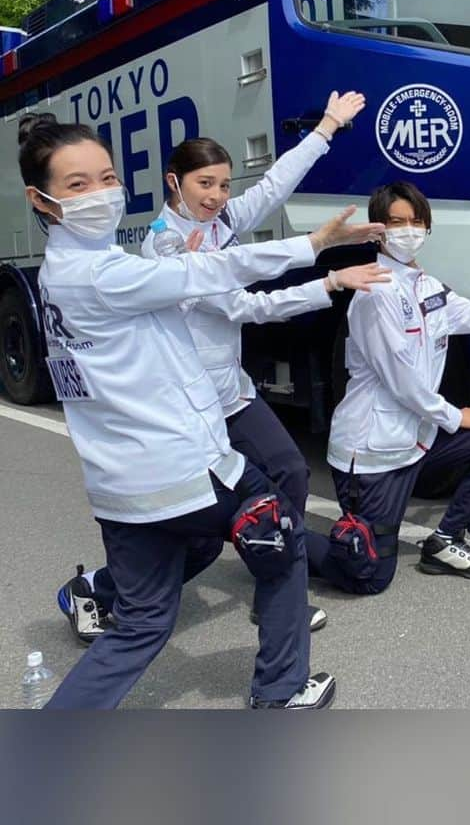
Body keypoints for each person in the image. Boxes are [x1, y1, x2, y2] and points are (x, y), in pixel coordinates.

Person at [19, 112, 375, 708]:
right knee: (282, 542)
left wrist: (323, 131)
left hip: (123, 484)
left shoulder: (66, 272)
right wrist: (315, 250)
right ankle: (281, 692)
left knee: (142, 621)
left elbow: (259, 201)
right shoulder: (108, 269)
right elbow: (216, 277)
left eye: (106, 177)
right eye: (77, 185)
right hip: (184, 462)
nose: (102, 193)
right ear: (43, 199)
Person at [306, 181, 470, 594]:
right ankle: (280, 544)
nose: (409, 230)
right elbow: (401, 381)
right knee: (367, 575)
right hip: (373, 452)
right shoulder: (374, 292)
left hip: (418, 440)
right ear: (377, 230)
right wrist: (457, 416)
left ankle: (446, 540)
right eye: (397, 222)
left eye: (416, 222)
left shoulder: (426, 286)